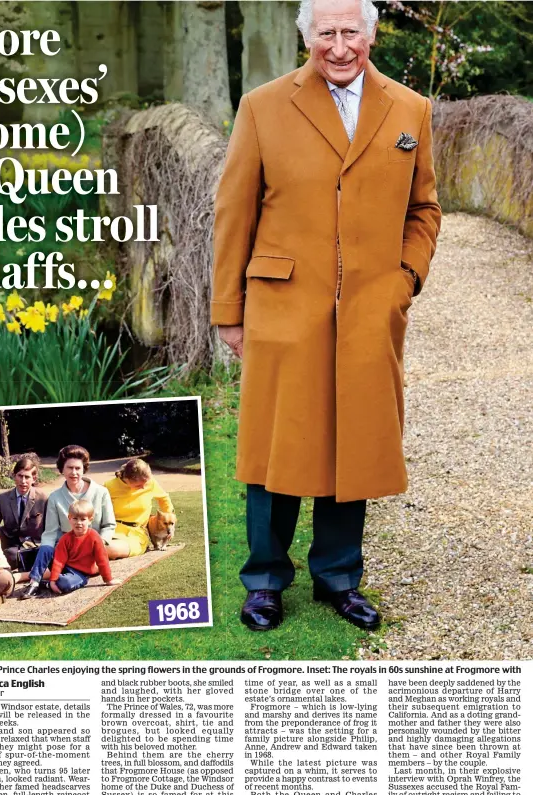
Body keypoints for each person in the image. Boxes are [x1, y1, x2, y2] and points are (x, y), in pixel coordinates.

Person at [211, 0, 441, 632]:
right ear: (307, 39)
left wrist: (405, 280)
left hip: (371, 312)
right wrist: (228, 311)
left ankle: (338, 579)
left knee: (356, 444)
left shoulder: (410, 109)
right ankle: (263, 582)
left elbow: (425, 210)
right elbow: (235, 214)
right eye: (325, 33)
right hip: (282, 308)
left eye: (351, 33)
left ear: (370, 35)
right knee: (276, 449)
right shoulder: (262, 106)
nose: (339, 47)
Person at [21, 445, 115, 598]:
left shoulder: (101, 492)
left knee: (66, 581)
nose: (74, 472)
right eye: (69, 468)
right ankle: (34, 582)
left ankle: (47, 581)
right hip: (64, 549)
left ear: (84, 468)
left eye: (78, 468)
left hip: (90, 551)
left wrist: (100, 545)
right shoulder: (55, 497)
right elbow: (50, 532)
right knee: (45, 547)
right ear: (62, 470)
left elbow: (109, 525)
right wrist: (47, 550)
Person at [104, 458, 175, 559]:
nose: (143, 487)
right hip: (111, 530)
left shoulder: (150, 483)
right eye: (139, 485)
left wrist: (170, 521)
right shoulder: (109, 486)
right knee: (95, 547)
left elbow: (164, 499)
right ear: (128, 479)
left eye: (145, 483)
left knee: (108, 549)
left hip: (136, 534)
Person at [46, 500, 121, 595]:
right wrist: (53, 580)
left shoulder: (94, 536)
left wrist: (108, 579)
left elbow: (102, 559)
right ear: (69, 518)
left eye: (83, 519)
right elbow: (59, 560)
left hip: (81, 573)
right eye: (75, 518)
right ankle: (51, 580)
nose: (79, 523)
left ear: (90, 520)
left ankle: (47, 584)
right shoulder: (65, 539)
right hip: (67, 566)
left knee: (66, 584)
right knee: (47, 552)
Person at [0, 456, 47, 571]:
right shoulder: (3, 498)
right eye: (20, 476)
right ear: (14, 476)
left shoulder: (43, 498)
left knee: (14, 556)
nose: (23, 481)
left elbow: (50, 528)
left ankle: (21, 562)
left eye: (27, 477)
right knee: (7, 550)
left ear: (34, 478)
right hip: (11, 542)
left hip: (33, 543)